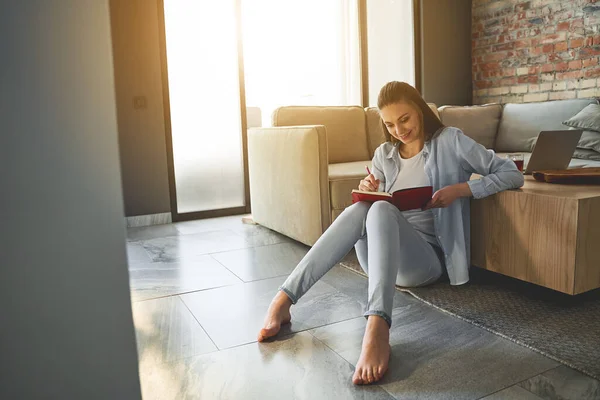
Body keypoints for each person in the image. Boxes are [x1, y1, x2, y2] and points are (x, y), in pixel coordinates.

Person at [256, 81, 524, 385]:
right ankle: (284, 299)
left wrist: (461, 190)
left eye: (405, 119)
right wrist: (368, 188)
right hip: (381, 261)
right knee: (365, 209)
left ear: (420, 110)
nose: (399, 129)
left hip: (425, 262)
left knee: (382, 211)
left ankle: (377, 327)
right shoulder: (384, 154)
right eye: (390, 124)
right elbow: (375, 199)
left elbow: (511, 174)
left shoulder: (451, 141)